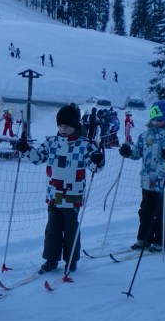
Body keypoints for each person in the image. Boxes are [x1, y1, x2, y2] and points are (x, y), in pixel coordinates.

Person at [16, 103, 104, 274]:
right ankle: (51, 259)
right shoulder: (51, 142)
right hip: (54, 193)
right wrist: (26, 149)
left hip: (73, 194)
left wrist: (98, 159)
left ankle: (71, 260)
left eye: (67, 126)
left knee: (71, 229)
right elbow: (38, 158)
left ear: (75, 125)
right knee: (52, 229)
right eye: (60, 125)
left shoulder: (85, 145)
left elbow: (95, 168)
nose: (63, 129)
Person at [118, 101, 165, 252]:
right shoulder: (144, 136)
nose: (156, 122)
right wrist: (128, 152)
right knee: (145, 211)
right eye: (154, 119)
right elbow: (137, 154)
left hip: (164, 182)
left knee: (161, 212)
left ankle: (160, 240)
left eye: (160, 119)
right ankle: (144, 239)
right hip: (148, 181)